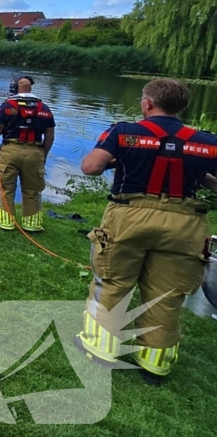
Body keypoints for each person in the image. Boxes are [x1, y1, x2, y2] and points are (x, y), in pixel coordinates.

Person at [75, 78, 217, 385]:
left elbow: (90, 167)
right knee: (167, 294)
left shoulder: (125, 132)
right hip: (185, 224)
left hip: (129, 217)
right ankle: (154, 364)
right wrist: (200, 177)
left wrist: (116, 160)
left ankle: (99, 349)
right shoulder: (207, 141)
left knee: (113, 281)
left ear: (148, 104)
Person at [0, 75, 55, 232]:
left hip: (10, 151)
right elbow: (50, 137)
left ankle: (6, 222)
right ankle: (32, 224)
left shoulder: (8, 105)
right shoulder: (45, 108)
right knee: (32, 190)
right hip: (35, 152)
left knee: (5, 187)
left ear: (15, 88)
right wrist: (43, 154)